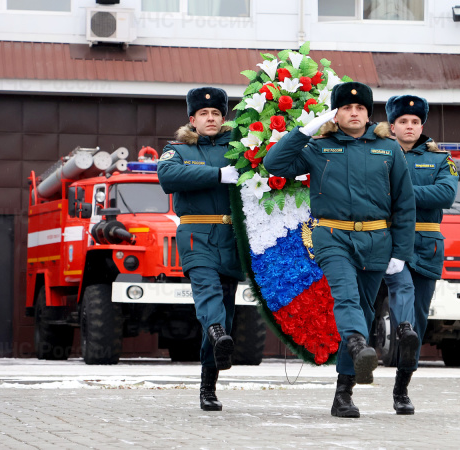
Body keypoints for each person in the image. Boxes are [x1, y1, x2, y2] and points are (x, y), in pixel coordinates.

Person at [264, 82, 416, 418]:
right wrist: (303, 131)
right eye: (347, 108)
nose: (354, 113)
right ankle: (360, 346)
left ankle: (343, 394)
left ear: (367, 113)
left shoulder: (388, 150)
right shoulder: (319, 147)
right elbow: (273, 164)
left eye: (360, 108)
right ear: (336, 113)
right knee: (346, 299)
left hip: (377, 241)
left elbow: (405, 204)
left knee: (362, 312)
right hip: (332, 237)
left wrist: (401, 252)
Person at [157, 87, 243, 412]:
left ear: (224, 118)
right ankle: (217, 330)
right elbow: (167, 176)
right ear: (192, 120)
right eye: (204, 114)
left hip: (230, 238)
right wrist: (218, 174)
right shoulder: (177, 149)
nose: (210, 118)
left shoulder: (238, 150)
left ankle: (209, 385)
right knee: (208, 294)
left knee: (225, 313)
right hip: (196, 233)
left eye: (216, 114)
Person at [382, 95, 459, 415]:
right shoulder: (379, 153)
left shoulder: (441, 159)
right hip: (388, 240)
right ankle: (402, 333)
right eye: (403, 121)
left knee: (419, 315)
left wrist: (399, 193)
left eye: (415, 122)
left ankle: (402, 388)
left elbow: (446, 194)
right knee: (403, 294)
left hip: (426, 243)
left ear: (422, 126)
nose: (409, 126)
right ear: (392, 125)